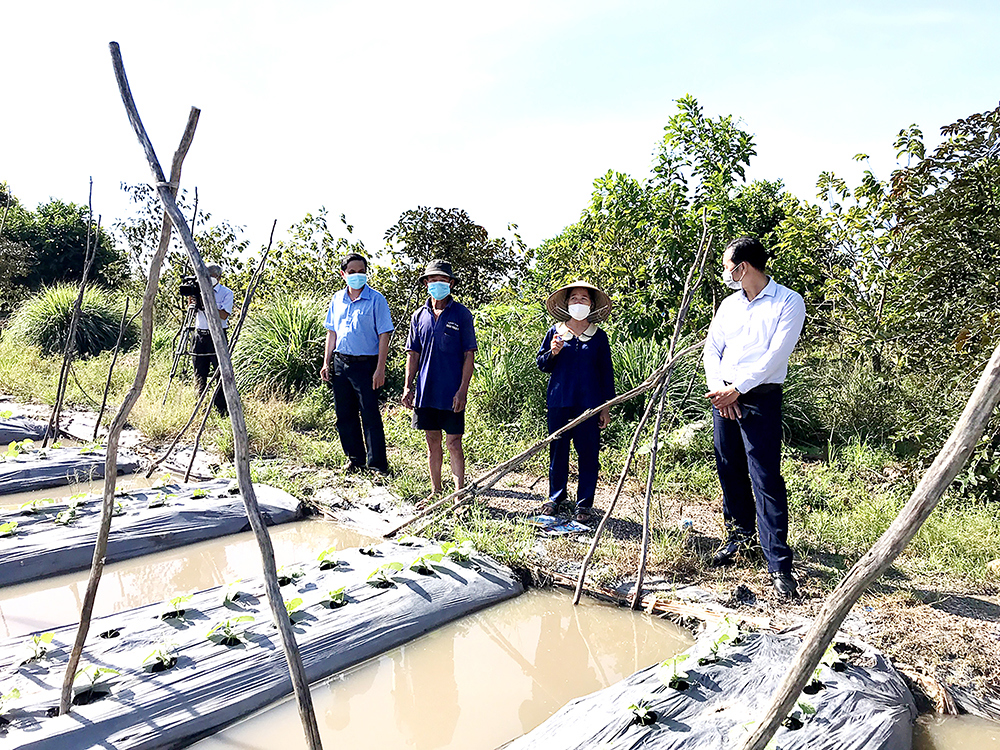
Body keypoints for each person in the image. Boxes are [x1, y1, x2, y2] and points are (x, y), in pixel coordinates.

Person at [703, 236, 806, 598]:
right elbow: (712, 349)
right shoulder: (729, 306)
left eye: (728, 265)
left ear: (743, 267)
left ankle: (778, 563)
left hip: (760, 396)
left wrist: (739, 390)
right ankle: (739, 536)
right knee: (728, 466)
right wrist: (721, 390)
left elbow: (775, 356)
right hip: (723, 395)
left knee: (764, 475)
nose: (726, 272)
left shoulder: (789, 301)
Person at [536, 281, 615, 525]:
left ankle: (584, 504)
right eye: (574, 298)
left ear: (591, 305)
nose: (578, 302)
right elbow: (542, 364)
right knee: (558, 451)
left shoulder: (599, 337)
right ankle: (556, 497)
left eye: (583, 299)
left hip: (589, 405)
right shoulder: (555, 332)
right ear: (566, 303)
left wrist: (605, 407)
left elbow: (606, 374)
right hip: (559, 401)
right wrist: (553, 351)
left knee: (588, 454)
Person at [401, 260, 477, 496]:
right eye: (433, 280)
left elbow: (469, 355)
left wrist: (462, 390)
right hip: (426, 391)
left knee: (454, 443)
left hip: (452, 391)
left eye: (442, 280)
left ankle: (458, 494)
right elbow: (413, 353)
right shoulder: (418, 316)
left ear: (451, 283)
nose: (437, 284)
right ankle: (436, 491)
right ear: (426, 283)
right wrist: (408, 386)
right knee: (432, 443)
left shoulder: (462, 315)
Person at [320, 252, 394, 474]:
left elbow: (384, 335)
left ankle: (377, 465)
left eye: (361, 272)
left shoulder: (376, 299)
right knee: (344, 414)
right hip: (341, 363)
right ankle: (355, 459)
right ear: (343, 274)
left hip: (366, 365)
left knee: (370, 414)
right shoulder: (337, 299)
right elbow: (331, 332)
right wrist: (327, 362)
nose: (357, 276)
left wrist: (380, 368)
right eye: (352, 272)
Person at [191, 263, 234, 415]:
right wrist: (195, 300)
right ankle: (199, 407)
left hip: (217, 335)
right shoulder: (199, 290)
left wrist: (207, 302)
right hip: (199, 335)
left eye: (211, 276)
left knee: (220, 372)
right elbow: (192, 309)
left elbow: (224, 315)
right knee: (199, 371)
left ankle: (221, 408)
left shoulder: (226, 293)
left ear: (218, 277)